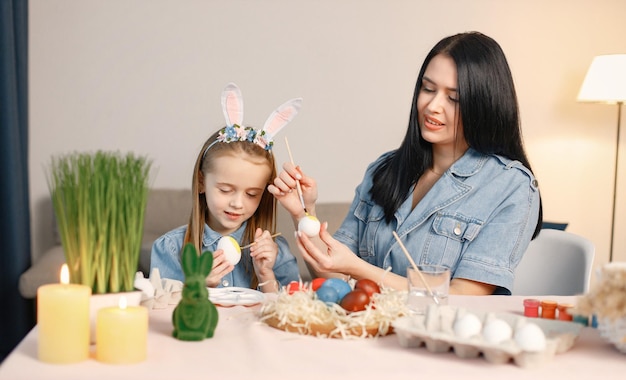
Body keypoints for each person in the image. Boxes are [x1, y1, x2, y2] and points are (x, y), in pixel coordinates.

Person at [269, 32, 542, 295]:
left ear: (484, 105)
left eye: (453, 98)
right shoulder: (384, 169)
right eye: (428, 89)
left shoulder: (512, 186)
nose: (433, 105)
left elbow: (463, 296)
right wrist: (303, 213)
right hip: (367, 336)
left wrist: (360, 270)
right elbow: (332, 272)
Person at [151, 83, 302, 292]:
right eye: (225, 190)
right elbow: (161, 314)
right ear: (202, 182)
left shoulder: (275, 251)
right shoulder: (169, 248)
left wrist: (266, 274)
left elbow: (288, 315)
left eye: (251, 194)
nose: (237, 203)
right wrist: (198, 286)